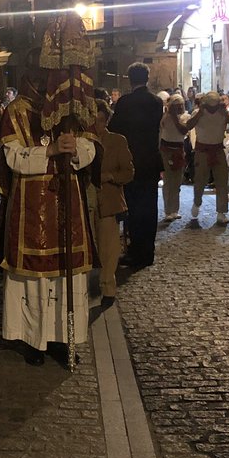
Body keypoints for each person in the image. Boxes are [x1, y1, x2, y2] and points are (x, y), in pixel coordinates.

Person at [0, 65, 97, 365]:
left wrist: (75, 151)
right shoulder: (16, 111)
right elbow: (12, 158)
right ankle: (34, 340)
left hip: (67, 203)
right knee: (32, 276)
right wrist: (49, 151)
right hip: (30, 205)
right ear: (33, 77)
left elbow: (89, 148)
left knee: (63, 274)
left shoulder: (69, 109)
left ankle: (62, 337)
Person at [108, 62, 163, 268]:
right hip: (150, 161)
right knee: (149, 207)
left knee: (132, 206)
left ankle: (134, 250)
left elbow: (114, 128)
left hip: (131, 160)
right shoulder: (156, 102)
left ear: (130, 79)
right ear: (147, 79)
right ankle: (147, 251)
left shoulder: (125, 103)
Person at [90, 99, 133, 308]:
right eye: (93, 120)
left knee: (109, 249)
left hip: (108, 202)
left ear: (106, 121)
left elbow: (128, 172)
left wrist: (110, 176)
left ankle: (107, 287)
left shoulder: (117, 141)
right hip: (87, 202)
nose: (97, 125)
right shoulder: (83, 142)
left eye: (100, 120)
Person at [184, 90, 229, 228]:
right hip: (202, 151)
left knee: (222, 182)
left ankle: (221, 212)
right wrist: (200, 113)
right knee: (200, 181)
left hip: (218, 150)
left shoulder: (222, 113)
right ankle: (197, 202)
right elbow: (188, 126)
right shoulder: (198, 113)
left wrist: (226, 114)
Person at [159, 94, 189, 221]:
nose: (180, 108)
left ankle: (175, 209)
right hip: (166, 150)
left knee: (177, 181)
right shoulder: (165, 118)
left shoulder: (185, 117)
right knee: (168, 181)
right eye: (177, 105)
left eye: (181, 105)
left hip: (179, 150)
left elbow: (183, 130)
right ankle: (168, 210)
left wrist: (175, 118)